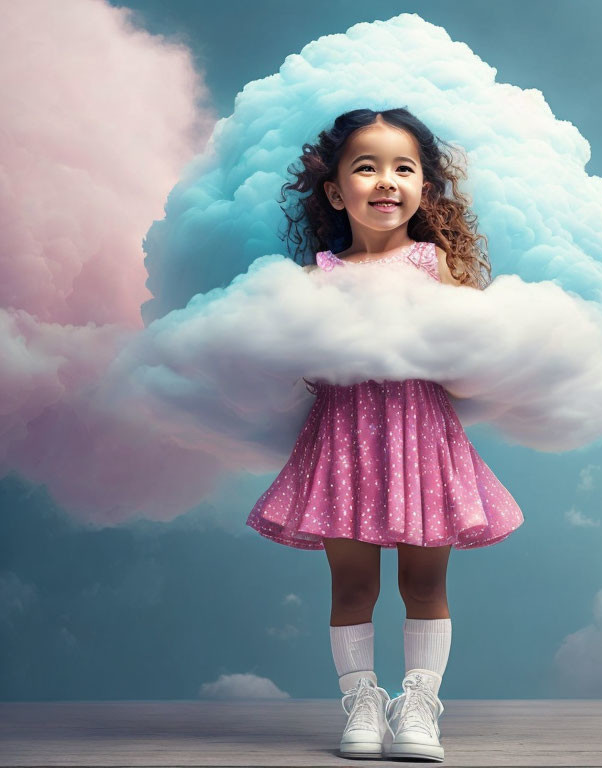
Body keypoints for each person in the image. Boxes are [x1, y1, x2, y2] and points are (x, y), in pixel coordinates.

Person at [245, 107, 524, 762]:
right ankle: (363, 703)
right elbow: (297, 367)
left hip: (423, 443)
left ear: (426, 189)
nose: (386, 181)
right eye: (365, 167)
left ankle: (420, 707)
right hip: (343, 445)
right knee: (352, 587)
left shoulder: (438, 268)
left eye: (404, 167)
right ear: (337, 192)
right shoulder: (316, 279)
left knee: (425, 585)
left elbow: (468, 369)